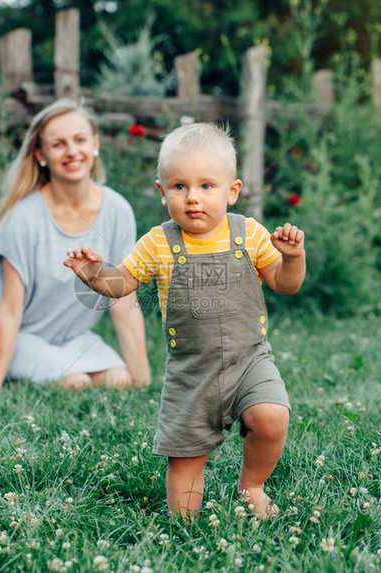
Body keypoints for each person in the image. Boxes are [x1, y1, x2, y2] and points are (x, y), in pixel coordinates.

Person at [64, 122, 306, 520]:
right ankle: (187, 527)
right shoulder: (159, 242)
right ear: (162, 193)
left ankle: (253, 485)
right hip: (191, 373)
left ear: (232, 191)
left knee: (272, 416)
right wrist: (94, 274)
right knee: (185, 465)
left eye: (206, 186)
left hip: (250, 361)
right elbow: (122, 282)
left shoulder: (248, 233)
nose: (193, 198)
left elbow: (284, 283)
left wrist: (293, 258)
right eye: (179, 187)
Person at [0, 99, 151, 391]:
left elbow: (122, 298)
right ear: (41, 154)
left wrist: (143, 382)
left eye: (80, 140)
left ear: (95, 144)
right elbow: (9, 311)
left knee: (120, 380)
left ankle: (55, 366)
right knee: (74, 382)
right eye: (58, 144)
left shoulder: (118, 210)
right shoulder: (23, 217)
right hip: (3, 337)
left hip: (68, 339)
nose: (72, 151)